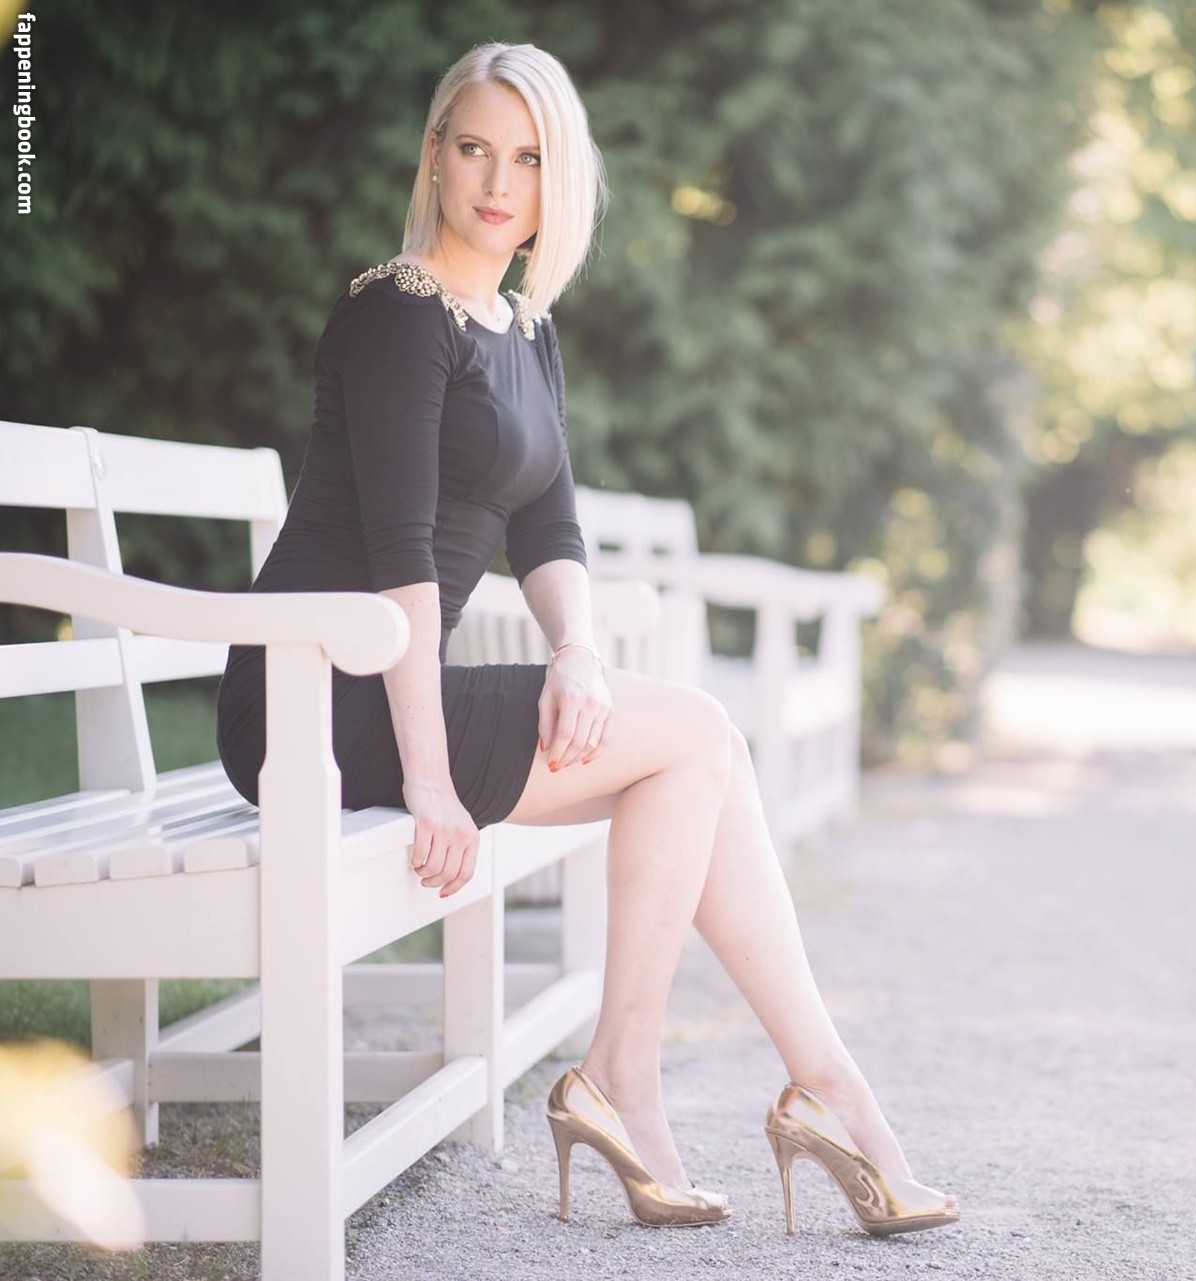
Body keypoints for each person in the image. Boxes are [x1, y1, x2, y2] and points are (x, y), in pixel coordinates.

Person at [213, 41, 957, 1237]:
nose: (497, 182)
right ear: (434, 156)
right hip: (315, 699)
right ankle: (694, 1087)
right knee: (699, 739)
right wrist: (430, 779)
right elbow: (403, 554)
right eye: (474, 149)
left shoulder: (522, 328)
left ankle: (742, 1085)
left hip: (396, 684)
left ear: (557, 182)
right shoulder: (396, 314)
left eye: (528, 159)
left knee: (694, 759)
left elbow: (549, 528)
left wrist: (579, 655)